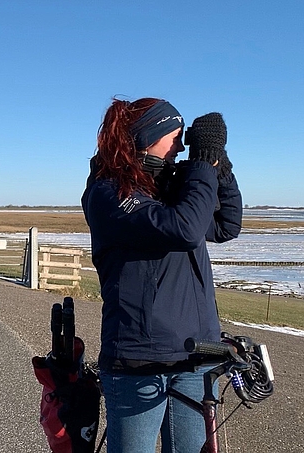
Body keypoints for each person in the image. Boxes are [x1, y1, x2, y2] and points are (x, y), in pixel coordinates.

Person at [81, 97, 242, 452]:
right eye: (175, 137)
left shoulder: (167, 189)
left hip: (196, 356)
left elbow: (226, 225)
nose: (182, 147)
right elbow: (183, 228)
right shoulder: (109, 194)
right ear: (145, 138)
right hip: (140, 360)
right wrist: (201, 165)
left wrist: (220, 169)